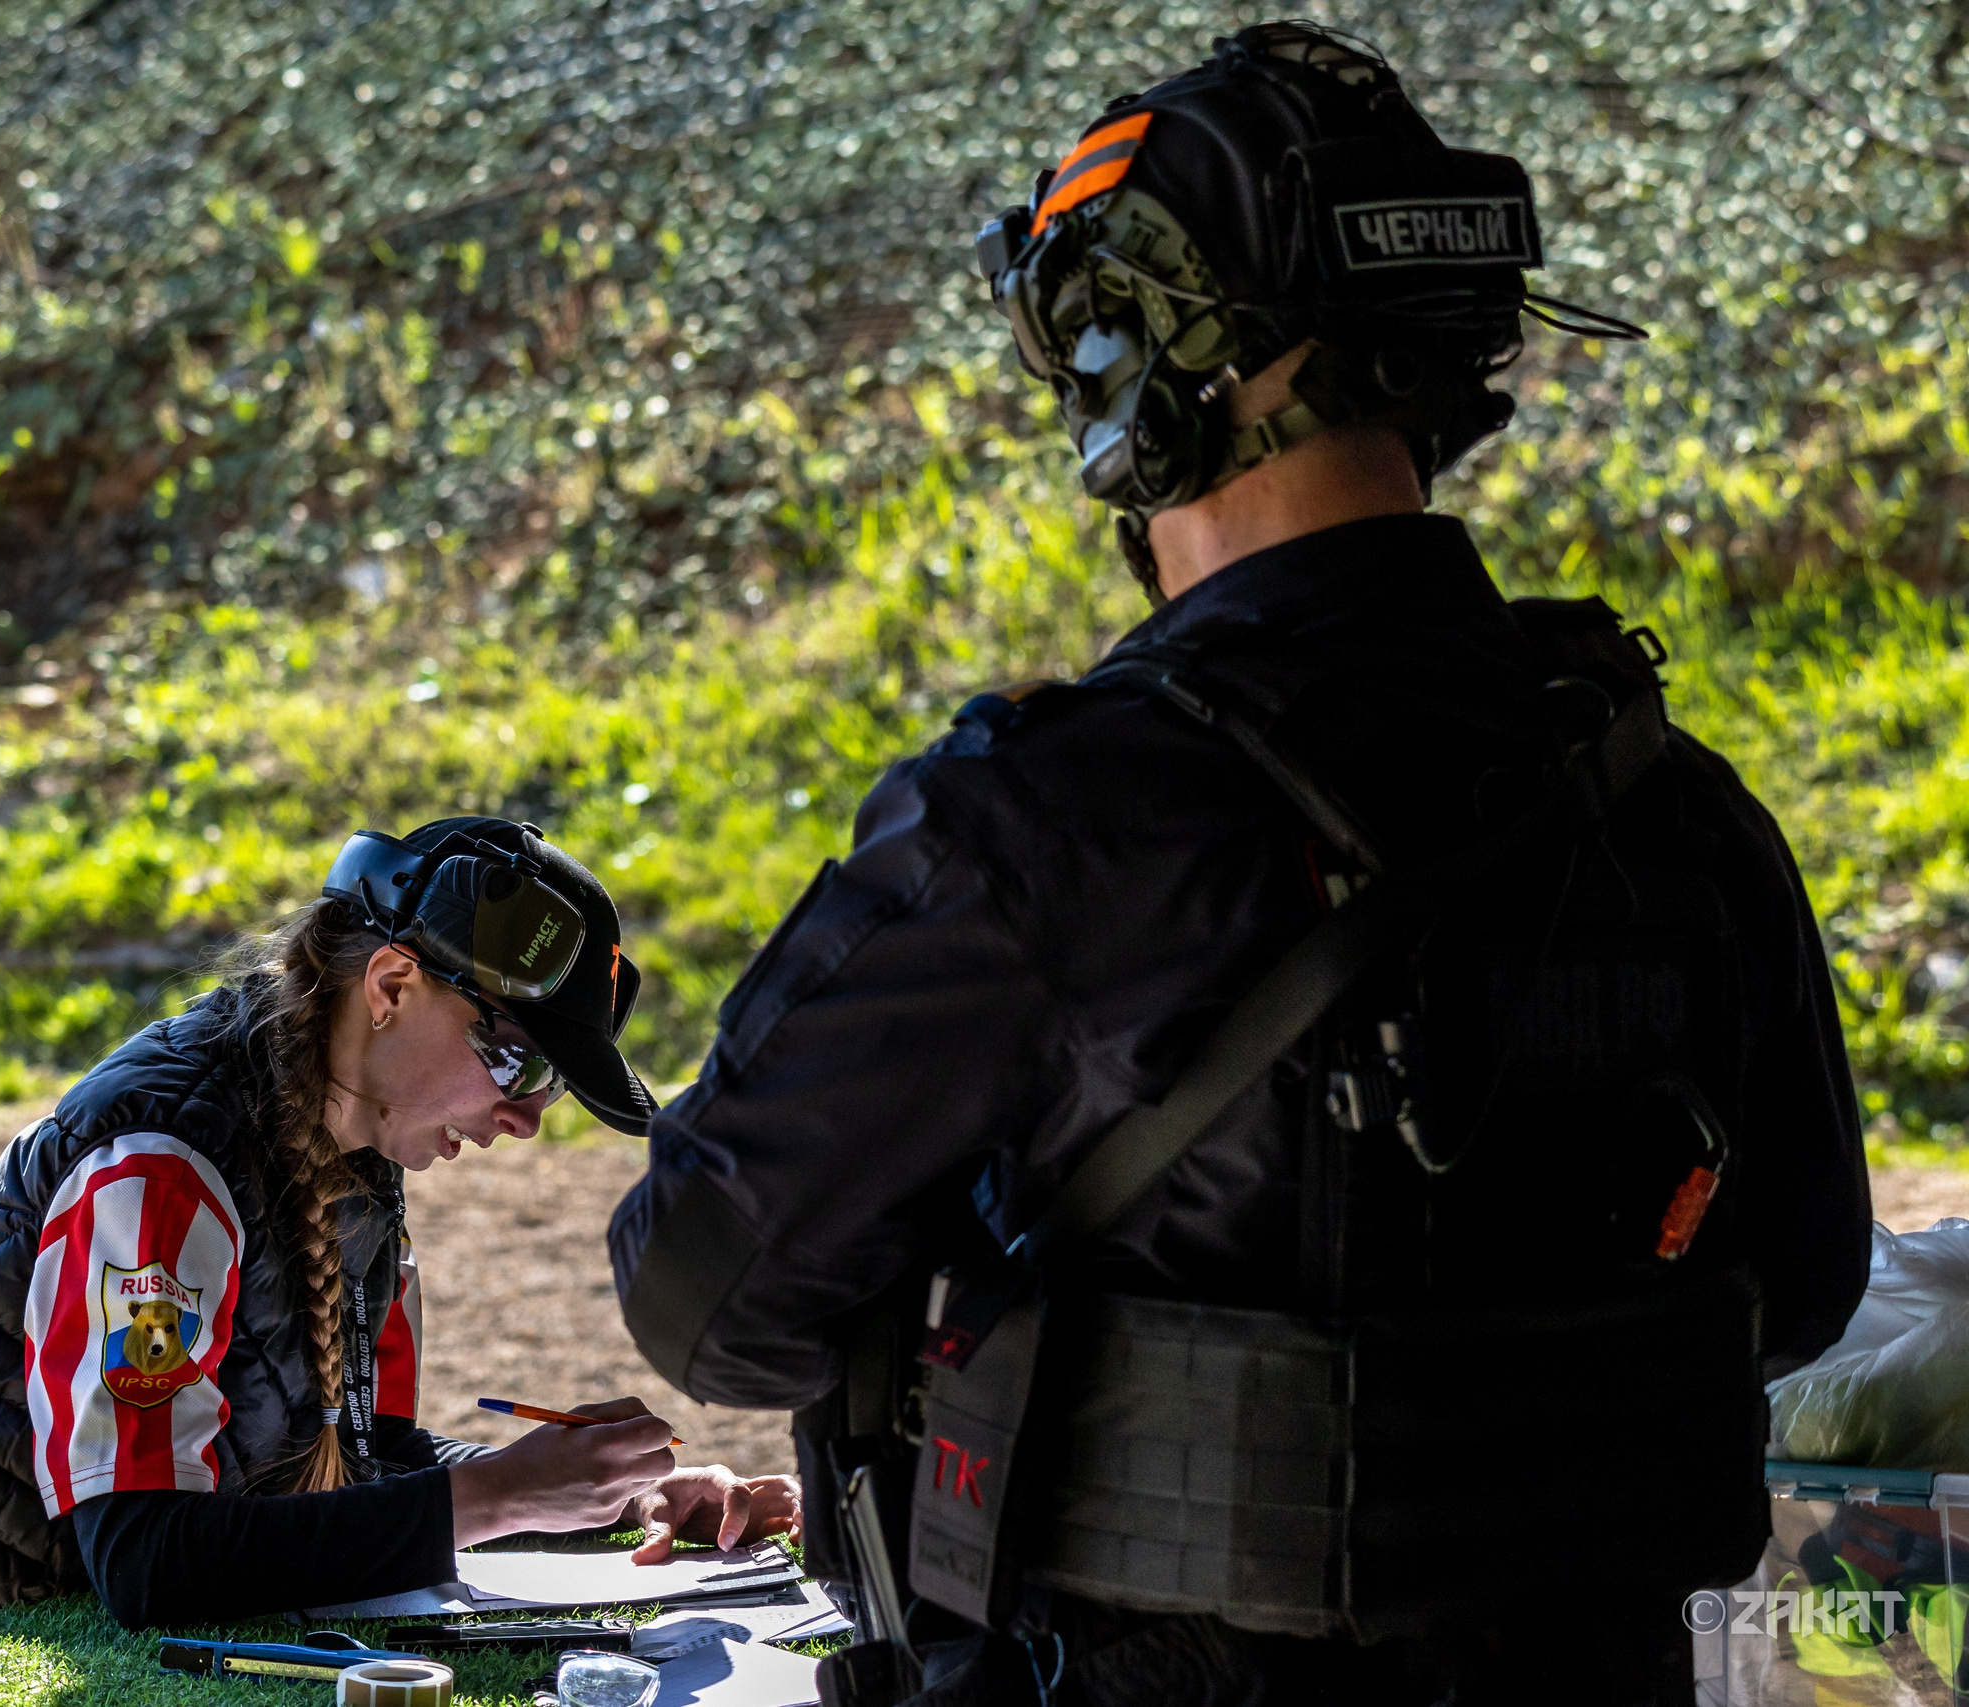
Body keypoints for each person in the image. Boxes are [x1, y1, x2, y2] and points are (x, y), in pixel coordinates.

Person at [609, 23, 1871, 1707]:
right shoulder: (1670, 805)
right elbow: (1796, 1284)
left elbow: (706, 1299)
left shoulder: (1049, 822)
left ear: (1136, 382)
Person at [0, 817, 796, 1707]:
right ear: (389, 988)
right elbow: (148, 1556)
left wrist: (605, 1506)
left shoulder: (357, 1172)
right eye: (513, 1060)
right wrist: (495, 1497)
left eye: (548, 1087)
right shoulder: (164, 1160)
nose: (521, 1116)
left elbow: (352, 1470)